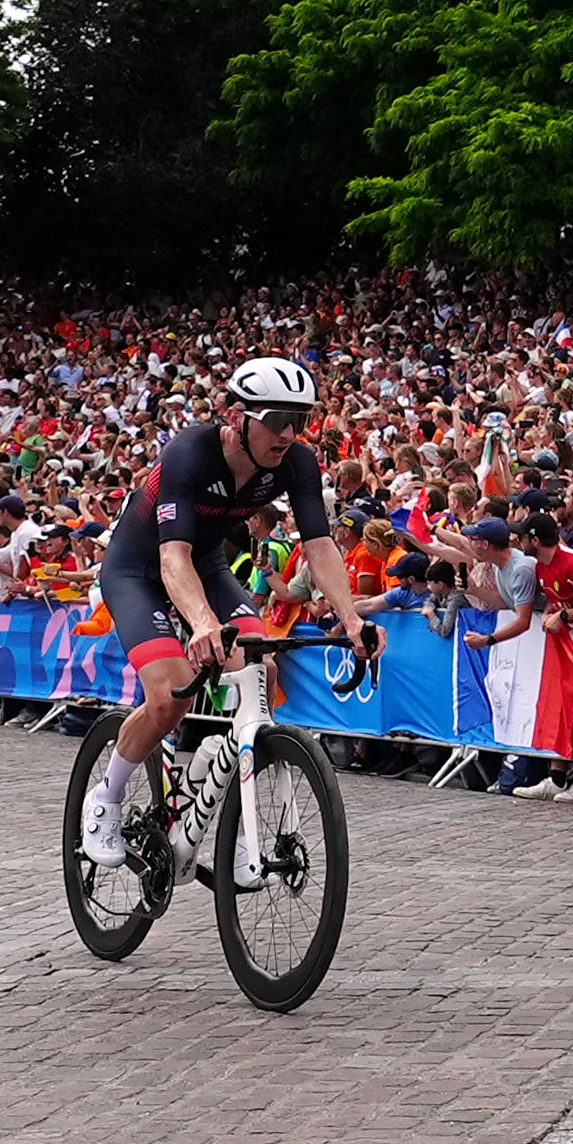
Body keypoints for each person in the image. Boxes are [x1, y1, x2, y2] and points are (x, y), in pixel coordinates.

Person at [79, 358, 387, 873]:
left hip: (207, 567)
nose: (289, 433)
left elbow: (320, 546)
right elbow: (170, 558)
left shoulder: (297, 462)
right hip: (140, 570)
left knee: (259, 667)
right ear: (235, 416)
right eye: (276, 419)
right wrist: (201, 623)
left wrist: (352, 619)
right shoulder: (188, 454)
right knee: (168, 695)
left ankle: (235, 818)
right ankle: (105, 798)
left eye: (301, 420)